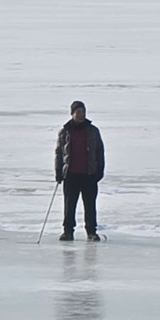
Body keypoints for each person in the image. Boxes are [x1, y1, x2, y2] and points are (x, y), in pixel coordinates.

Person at [55, 101, 105, 242]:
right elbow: (59, 153)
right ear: (72, 114)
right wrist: (58, 171)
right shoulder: (65, 132)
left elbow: (99, 151)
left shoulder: (93, 131)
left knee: (90, 206)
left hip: (89, 174)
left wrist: (99, 170)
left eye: (83, 112)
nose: (81, 115)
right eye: (78, 112)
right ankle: (68, 232)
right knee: (69, 205)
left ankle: (91, 232)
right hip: (71, 175)